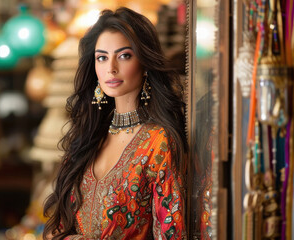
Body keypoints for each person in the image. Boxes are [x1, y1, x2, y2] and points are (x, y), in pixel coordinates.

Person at [43, 7, 188, 240]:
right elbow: (57, 227)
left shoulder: (157, 143)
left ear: (145, 64)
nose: (111, 68)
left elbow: (172, 233)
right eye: (102, 57)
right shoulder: (88, 138)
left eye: (124, 55)